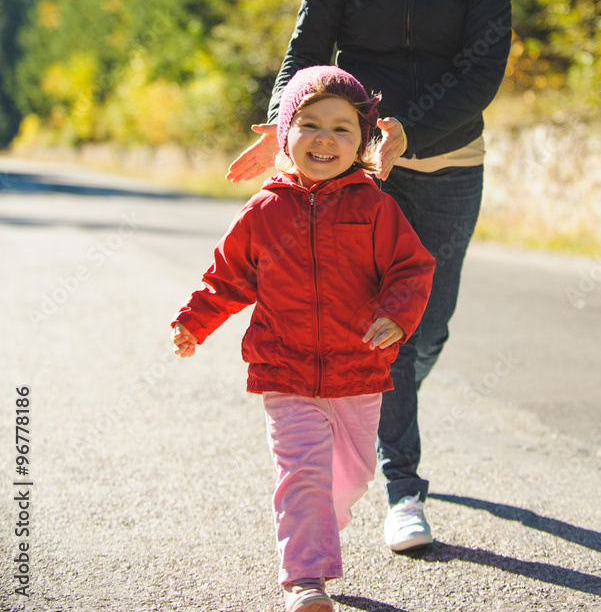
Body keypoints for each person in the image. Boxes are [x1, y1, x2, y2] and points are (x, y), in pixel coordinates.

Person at [226, 0, 512, 553]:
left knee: (427, 326)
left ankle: (393, 416)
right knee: (382, 323)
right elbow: (306, 46)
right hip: (356, 164)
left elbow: (482, 68)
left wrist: (412, 130)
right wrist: (282, 128)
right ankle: (403, 485)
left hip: (448, 159)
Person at [171, 65, 435, 612]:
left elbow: (412, 269)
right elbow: (227, 276)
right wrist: (195, 321)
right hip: (284, 370)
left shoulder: (375, 207)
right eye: (310, 124)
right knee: (303, 472)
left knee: (355, 476)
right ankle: (304, 579)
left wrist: (397, 316)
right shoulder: (264, 211)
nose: (325, 138)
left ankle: (317, 524)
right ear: (284, 135)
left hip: (358, 370)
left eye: (343, 129)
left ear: (364, 141)